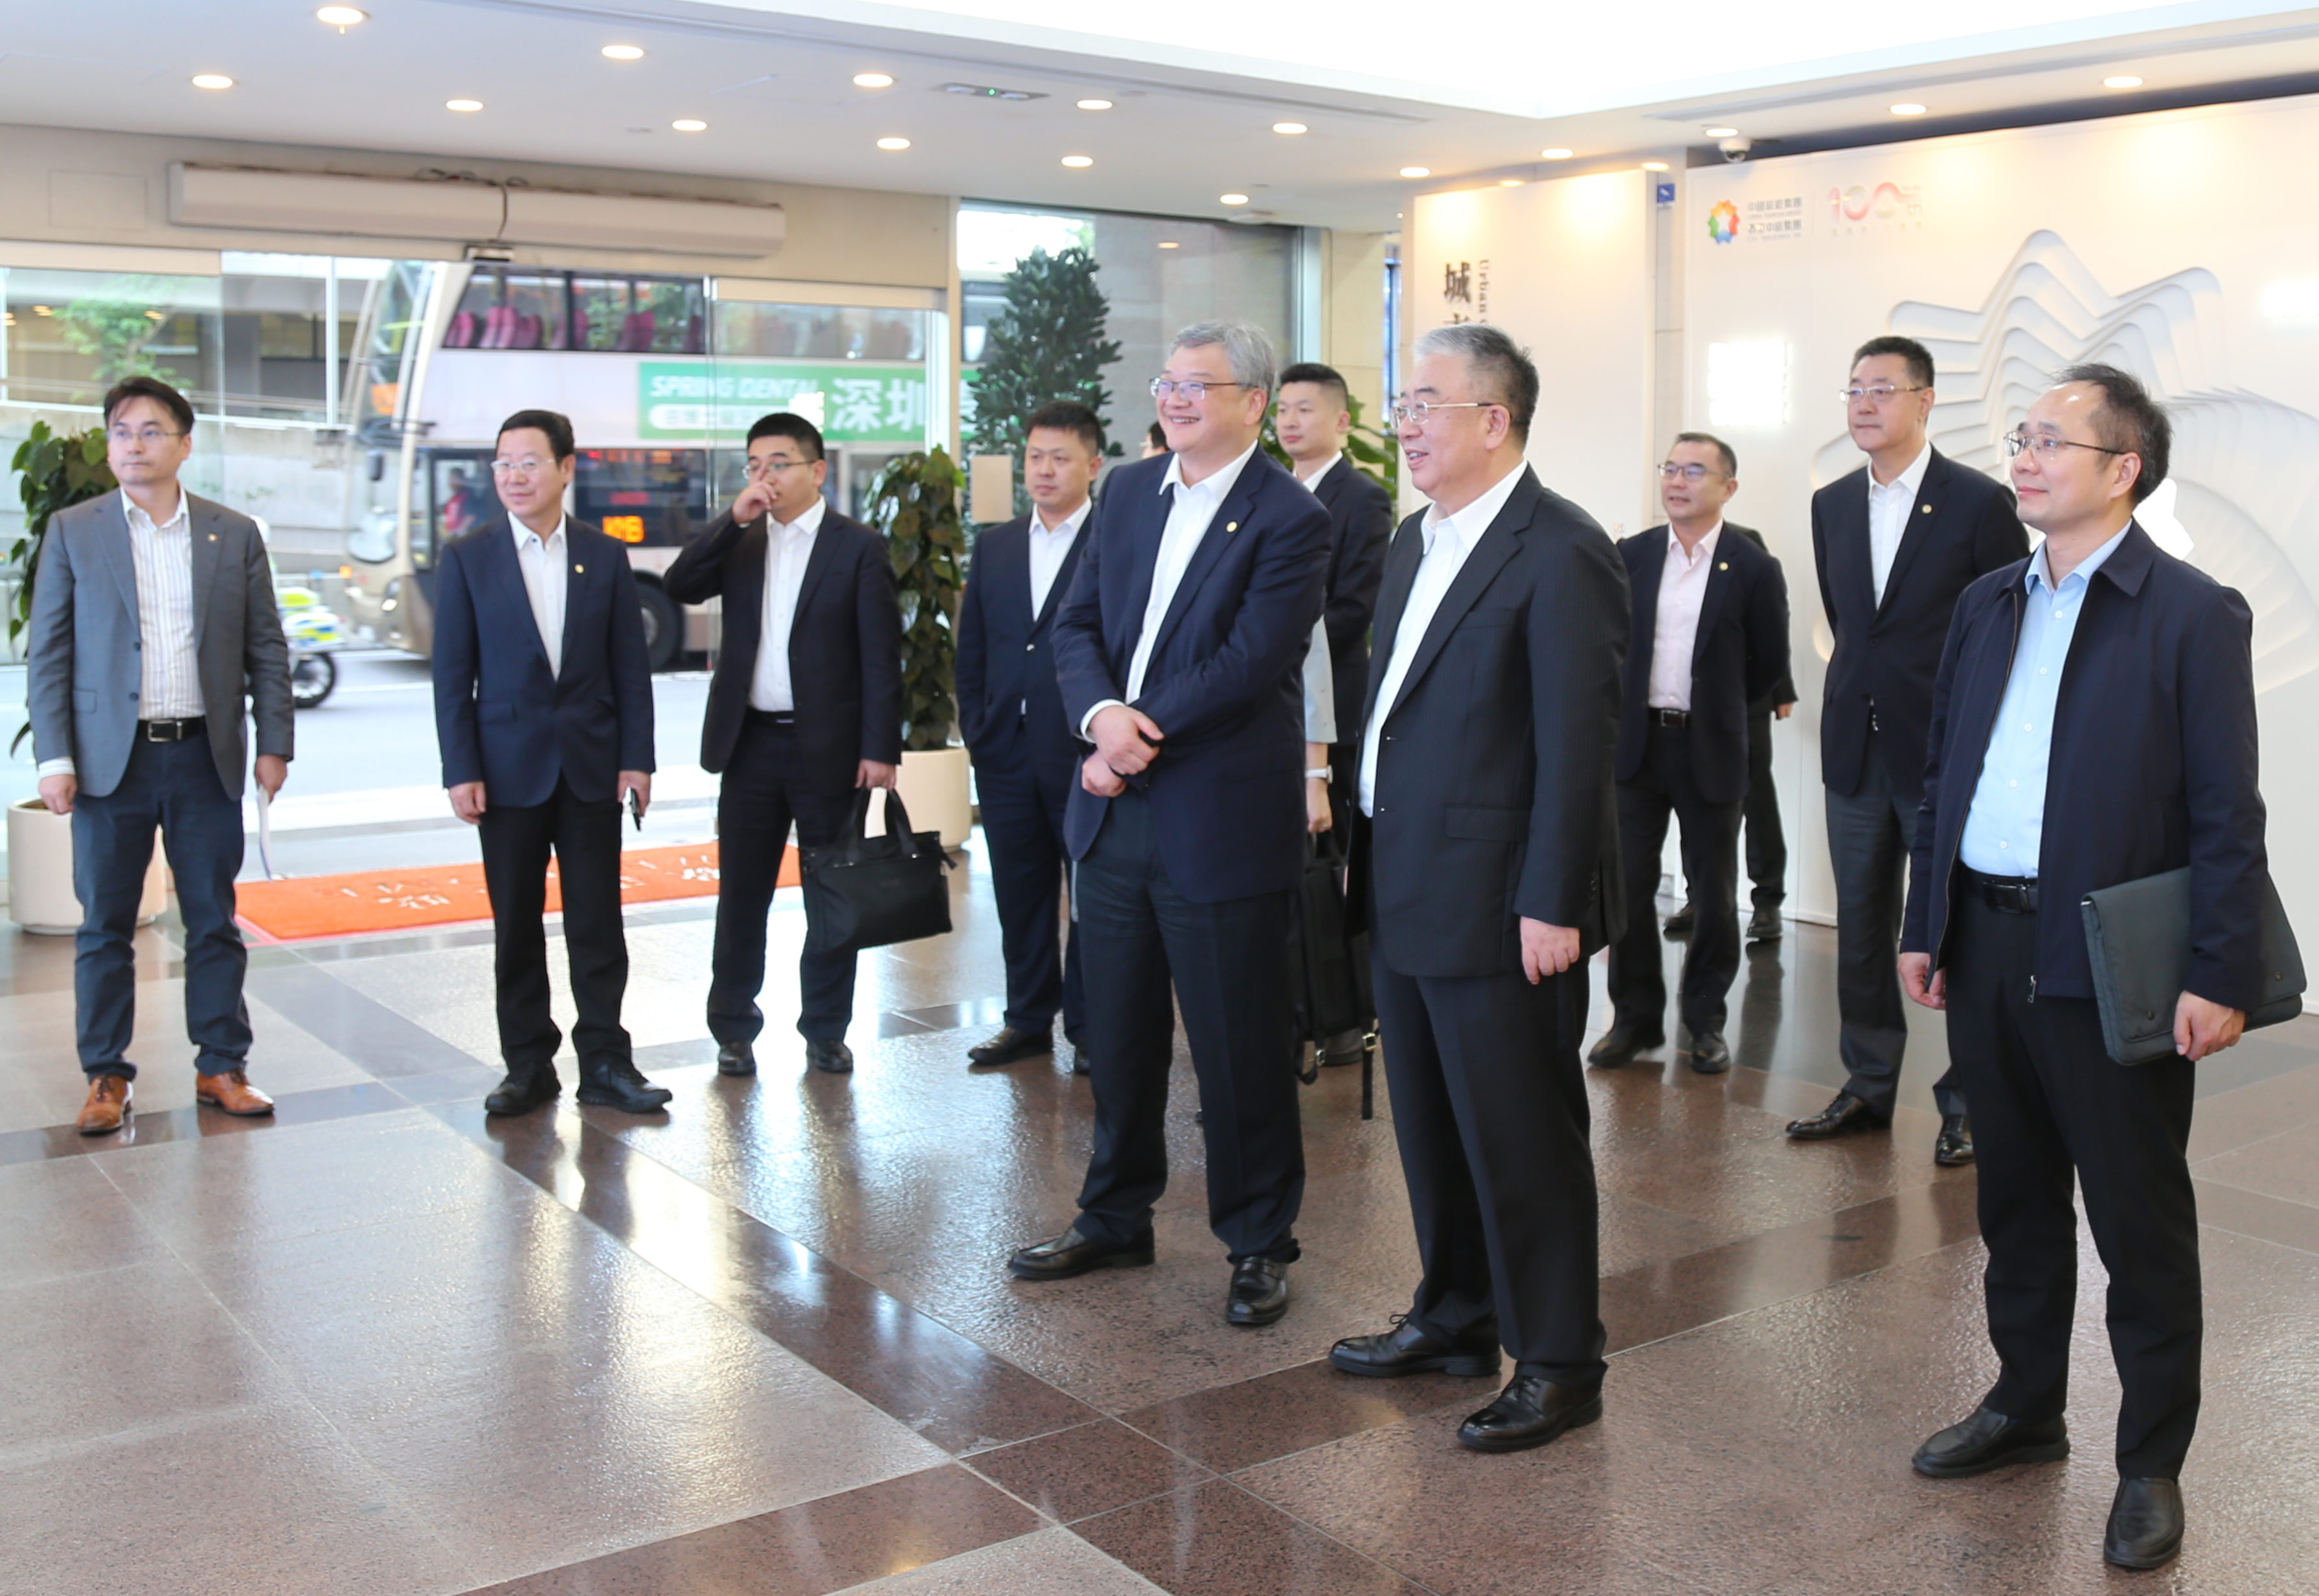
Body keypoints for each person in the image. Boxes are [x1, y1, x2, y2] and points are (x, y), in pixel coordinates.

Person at [1899, 366, 2260, 1572]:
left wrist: (2219, 971)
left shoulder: (2191, 613)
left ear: (2124, 469)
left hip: (2111, 956)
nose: (2026, 456)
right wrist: (1925, 920)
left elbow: (2226, 814)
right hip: (1987, 938)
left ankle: (2149, 1463)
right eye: (2021, 436)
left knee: (2137, 1218)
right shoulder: (1988, 602)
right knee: (2012, 1198)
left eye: (2054, 441)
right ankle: (2024, 1405)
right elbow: (1945, 776)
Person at [1329, 324, 1628, 1454]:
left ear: (1493, 420)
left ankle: (1558, 1362)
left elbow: (1577, 746)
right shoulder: (1416, 539)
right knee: (1433, 1128)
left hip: (1505, 904)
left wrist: (1555, 901)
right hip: (1406, 881)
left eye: (1425, 405)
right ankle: (1455, 1315)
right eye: (1401, 403)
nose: (1403, 424)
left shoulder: (1562, 550)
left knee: (1522, 1138)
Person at [1012, 320, 1331, 1329]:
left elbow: (1251, 662)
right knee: (1117, 1030)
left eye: (1201, 384)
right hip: (1113, 815)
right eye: (1168, 383)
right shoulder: (1127, 493)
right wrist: (1101, 719)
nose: (1177, 399)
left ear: (1253, 403)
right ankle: (1115, 1215)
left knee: (1238, 1045)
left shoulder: (1290, 516)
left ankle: (1258, 1239)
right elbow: (1074, 626)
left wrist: (1131, 734)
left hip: (1217, 814)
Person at [27, 376, 293, 1136]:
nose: (133, 445)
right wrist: (54, 756)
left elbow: (266, 646)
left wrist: (275, 742)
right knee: (105, 925)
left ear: (183, 443)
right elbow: (49, 654)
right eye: (121, 431)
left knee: (213, 918)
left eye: (150, 431)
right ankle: (106, 1074)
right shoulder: (74, 530)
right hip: (111, 763)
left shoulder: (231, 533)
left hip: (204, 755)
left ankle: (222, 1064)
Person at [1793, 335, 2027, 1164]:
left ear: (1924, 401)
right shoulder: (1829, 504)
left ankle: (1968, 1098)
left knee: (1954, 928)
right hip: (1855, 746)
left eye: (1881, 389)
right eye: (1853, 389)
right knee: (1859, 926)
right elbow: (1851, 625)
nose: (1862, 403)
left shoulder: (1978, 503)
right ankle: (1866, 1082)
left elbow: (2005, 628)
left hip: (1943, 751)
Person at [432, 409, 669, 1117]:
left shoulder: (603, 555)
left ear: (566, 468)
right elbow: (452, 676)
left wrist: (637, 759)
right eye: (503, 463)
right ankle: (527, 1064)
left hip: (591, 765)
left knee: (598, 922)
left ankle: (606, 1061)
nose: (513, 476)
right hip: (505, 770)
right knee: (516, 923)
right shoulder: (468, 556)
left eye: (528, 462)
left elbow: (630, 668)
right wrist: (460, 768)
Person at [662, 413, 903, 1077]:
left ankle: (825, 1028)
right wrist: (729, 520)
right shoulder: (741, 541)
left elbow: (881, 656)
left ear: (816, 470)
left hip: (829, 748)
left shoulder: (858, 547)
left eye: (778, 463)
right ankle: (733, 1028)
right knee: (742, 894)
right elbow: (680, 585)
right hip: (750, 745)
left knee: (832, 893)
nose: (763, 476)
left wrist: (880, 748)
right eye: (753, 465)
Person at [1590, 433, 1789, 1075]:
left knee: (1713, 891)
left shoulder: (1751, 565)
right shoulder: (1632, 555)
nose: (1676, 481)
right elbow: (1611, 643)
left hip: (1710, 746)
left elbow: (1766, 665)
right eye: (1670, 468)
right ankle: (1633, 1019)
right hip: (1638, 747)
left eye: (1694, 471)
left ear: (1728, 487)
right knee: (1627, 887)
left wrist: (1716, 708)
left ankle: (1705, 1022)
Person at [956, 400, 1102, 1072]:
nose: (1044, 470)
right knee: (1019, 891)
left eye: (1059, 458)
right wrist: (978, 726)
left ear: (1092, 465)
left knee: (1091, 893)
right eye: (1035, 457)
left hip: (1081, 751)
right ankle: (1026, 1019)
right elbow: (974, 648)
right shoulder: (996, 544)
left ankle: (1091, 1026)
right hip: (1004, 751)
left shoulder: (1111, 541)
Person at [1661, 521, 1797, 945]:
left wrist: (1781, 688)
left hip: (1743, 702)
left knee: (1756, 799)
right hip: (1692, 705)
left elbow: (1770, 627)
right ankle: (1697, 897)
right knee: (1694, 800)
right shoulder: (1661, 550)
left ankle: (1767, 900)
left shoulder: (1745, 544)